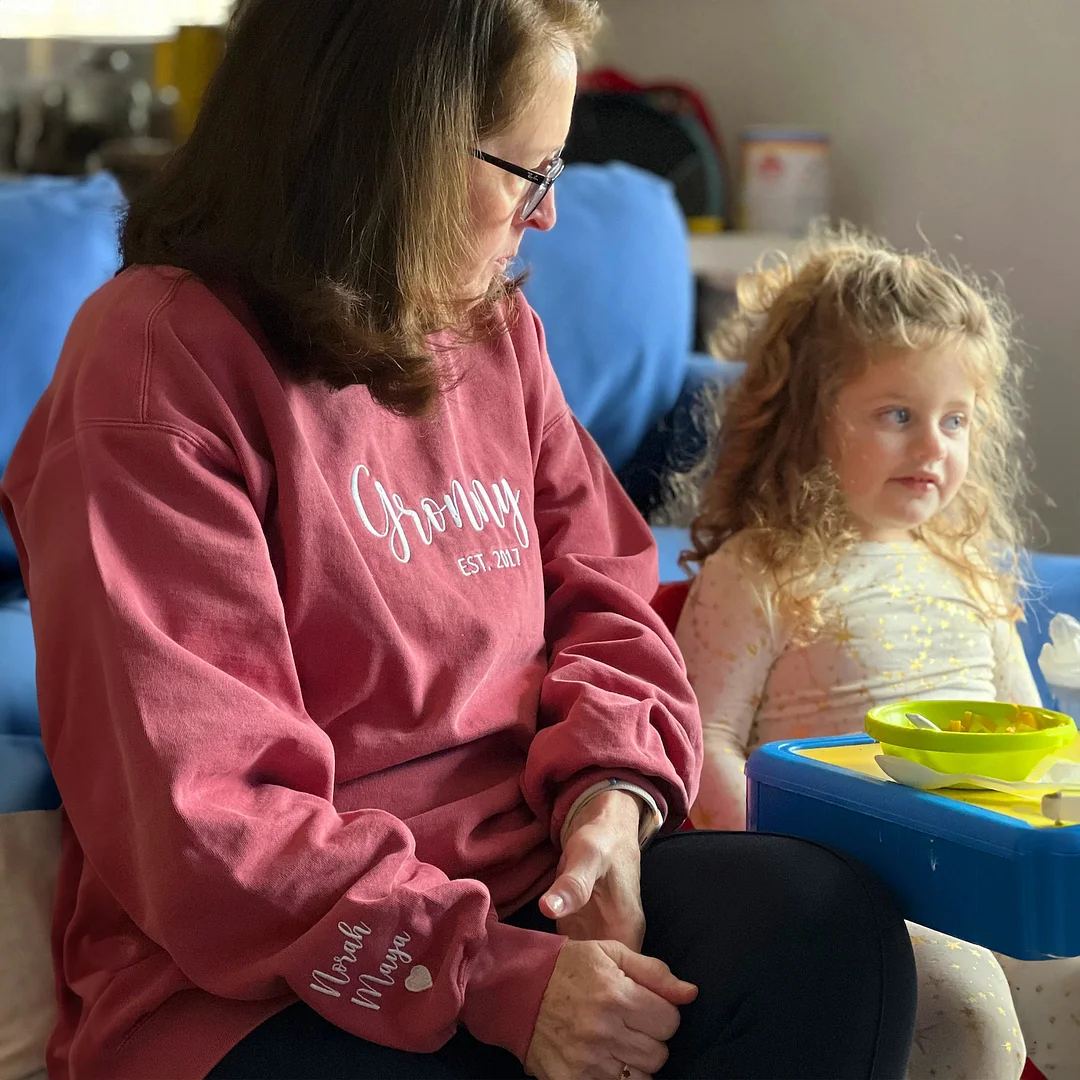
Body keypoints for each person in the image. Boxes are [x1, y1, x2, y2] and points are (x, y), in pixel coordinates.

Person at [0, 5, 917, 1079]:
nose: (549, 215)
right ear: (389, 145)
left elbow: (607, 598)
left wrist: (611, 803)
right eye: (527, 172)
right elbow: (206, 820)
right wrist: (490, 977)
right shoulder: (153, 368)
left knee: (829, 930)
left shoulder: (491, 328)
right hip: (256, 982)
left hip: (531, 883)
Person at [674, 227, 1038, 1080]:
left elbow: (1033, 732)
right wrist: (790, 865)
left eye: (956, 420)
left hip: (988, 883)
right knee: (974, 1022)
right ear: (808, 419)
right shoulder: (758, 570)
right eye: (897, 415)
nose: (934, 447)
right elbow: (700, 743)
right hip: (855, 898)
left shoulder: (970, 574)